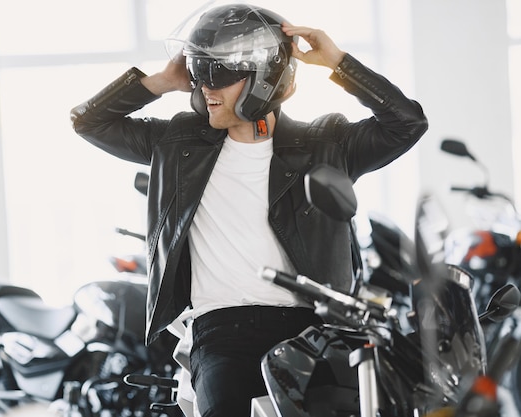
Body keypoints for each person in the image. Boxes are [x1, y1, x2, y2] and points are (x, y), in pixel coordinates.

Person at [70, 3, 428, 416]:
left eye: (218, 74)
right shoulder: (177, 142)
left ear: (264, 77)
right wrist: (161, 81)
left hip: (315, 330)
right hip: (223, 332)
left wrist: (338, 63)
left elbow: (406, 124)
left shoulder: (325, 144)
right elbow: (89, 123)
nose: (205, 86)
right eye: (198, 71)